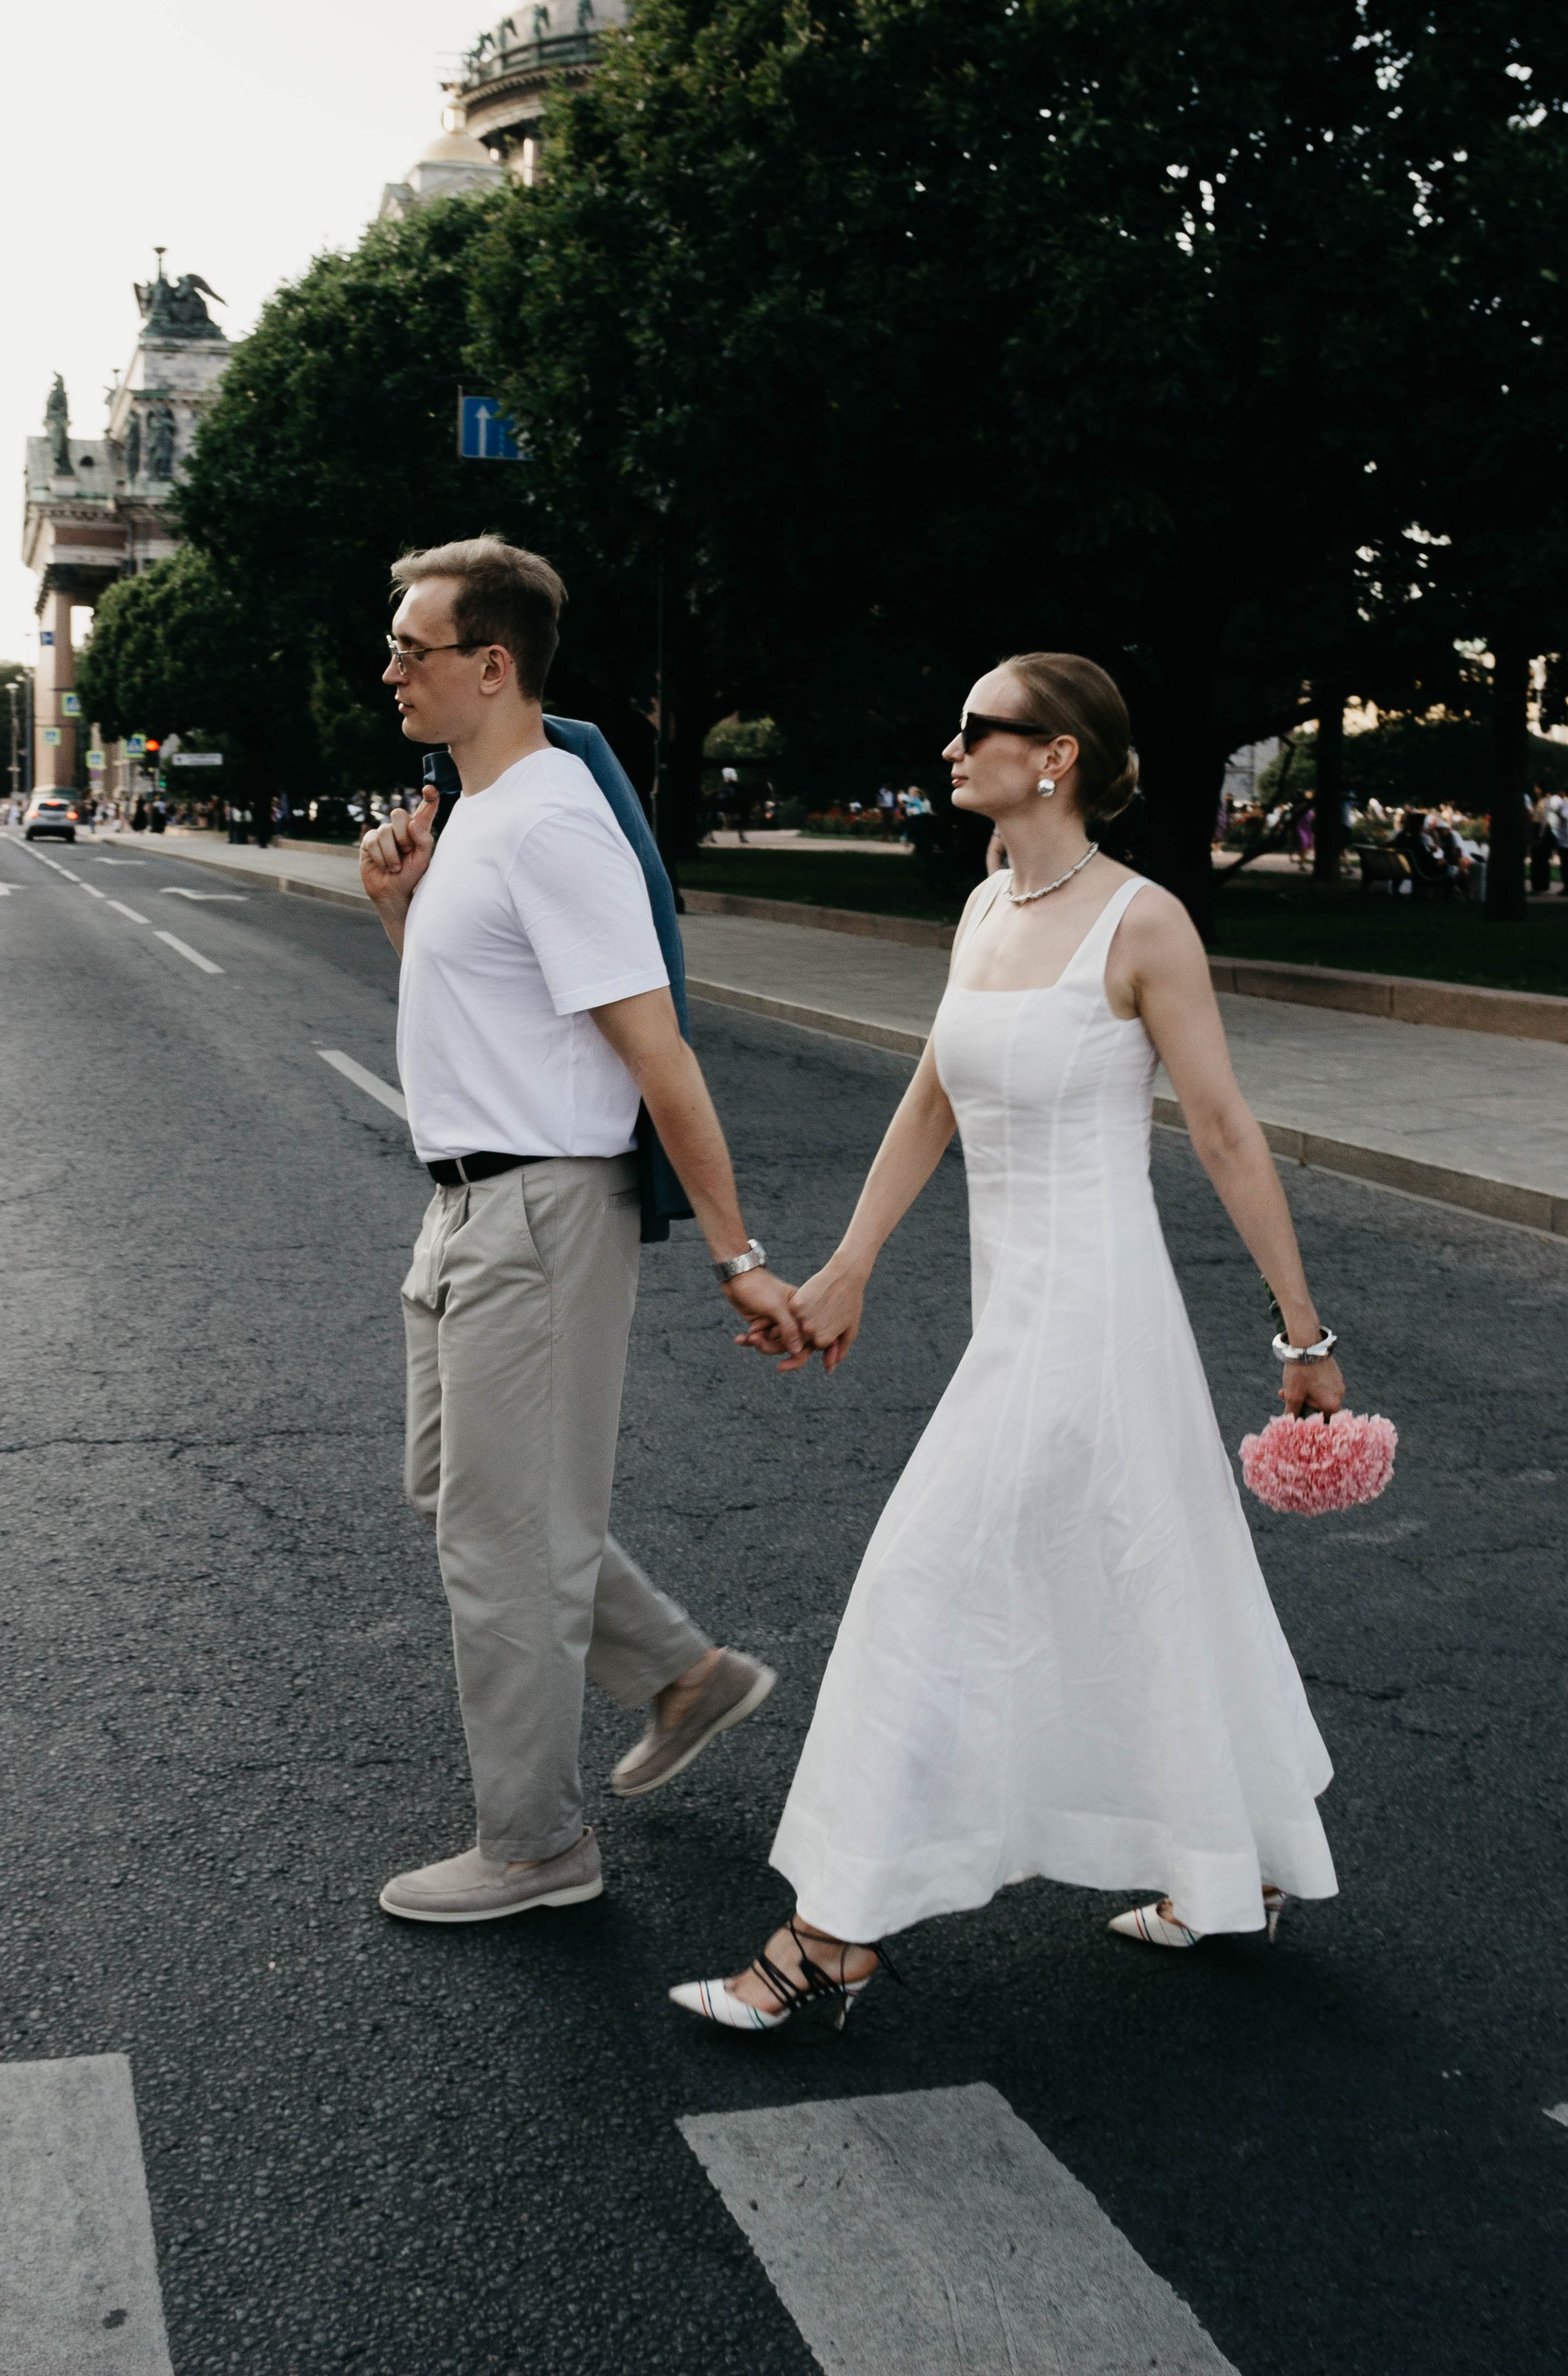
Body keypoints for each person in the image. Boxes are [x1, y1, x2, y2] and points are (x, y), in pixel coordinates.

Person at [671, 651, 1345, 2032]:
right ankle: (1237, 1864)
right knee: (1159, 1578)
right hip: (1016, 1316)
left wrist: (1302, 1330)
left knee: (926, 1585)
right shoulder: (986, 904)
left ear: (1061, 759)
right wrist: (852, 1263)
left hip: (1093, 1321)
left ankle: (830, 1941)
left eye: (983, 728)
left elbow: (1221, 1132)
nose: (953, 745)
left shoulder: (1145, 925)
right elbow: (934, 1097)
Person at [358, 536, 804, 1929]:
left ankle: (536, 1845)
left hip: (540, 1214)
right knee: (459, 1497)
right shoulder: (476, 813)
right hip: (469, 1206)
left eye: (412, 651)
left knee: (509, 1545)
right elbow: (482, 1019)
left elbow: (661, 1056)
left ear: (493, 665)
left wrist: (737, 1258)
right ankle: (683, 1673)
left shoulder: (551, 820)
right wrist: (398, 911)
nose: (391, 674)